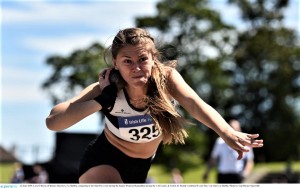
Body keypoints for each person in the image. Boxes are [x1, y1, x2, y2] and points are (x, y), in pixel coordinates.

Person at [46, 28, 263, 183]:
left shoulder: (166, 78)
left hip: (141, 168)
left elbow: (195, 104)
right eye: (127, 61)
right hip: (104, 160)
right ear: (116, 64)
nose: (136, 68)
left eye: (142, 59)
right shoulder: (107, 87)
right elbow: (54, 122)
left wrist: (225, 131)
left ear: (154, 58)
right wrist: (102, 100)